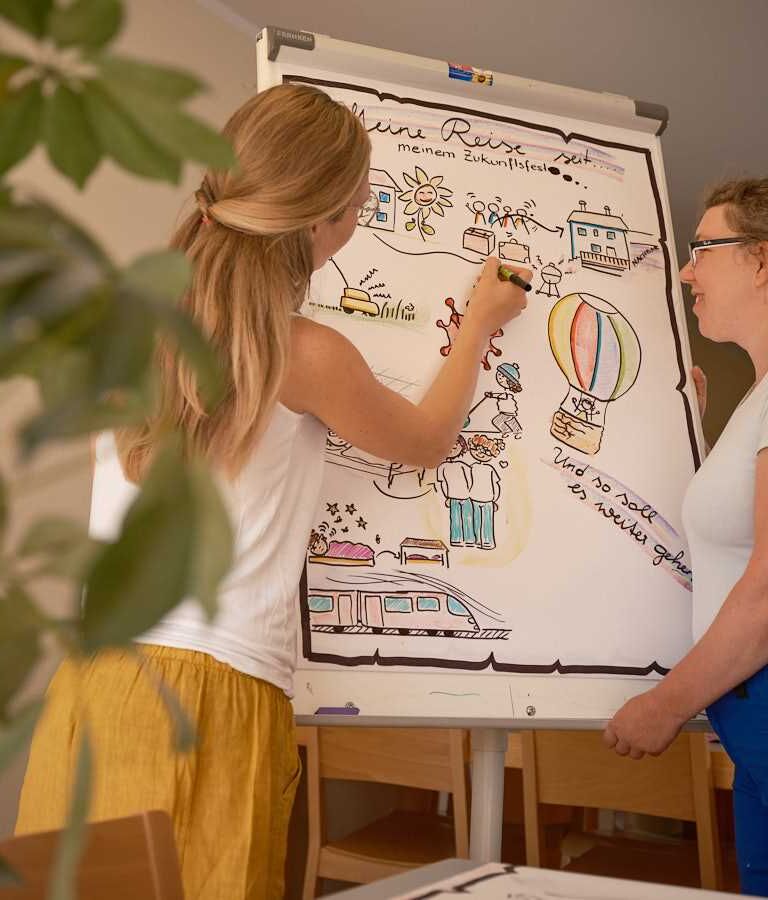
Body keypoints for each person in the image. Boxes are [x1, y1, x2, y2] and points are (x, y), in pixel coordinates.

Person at [14, 83, 530, 900]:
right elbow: (432, 442)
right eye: (361, 203)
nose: (362, 218)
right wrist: (478, 324)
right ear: (322, 217)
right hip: (205, 699)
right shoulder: (306, 353)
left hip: (96, 683)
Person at [603, 178, 768, 896]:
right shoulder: (756, 402)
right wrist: (690, 439)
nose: (685, 268)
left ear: (761, 260)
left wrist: (667, 704)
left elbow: (765, 595)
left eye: (703, 247)